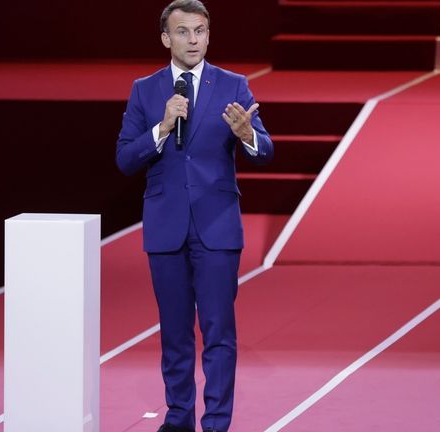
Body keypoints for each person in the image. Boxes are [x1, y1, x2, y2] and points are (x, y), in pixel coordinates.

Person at [115, 1, 273, 431]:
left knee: (219, 333)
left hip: (217, 226)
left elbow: (265, 149)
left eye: (200, 31)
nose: (194, 40)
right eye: (183, 32)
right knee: (175, 334)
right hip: (166, 226)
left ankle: (217, 423)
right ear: (166, 38)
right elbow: (126, 158)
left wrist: (248, 137)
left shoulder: (234, 85)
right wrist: (161, 128)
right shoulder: (145, 90)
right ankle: (179, 418)